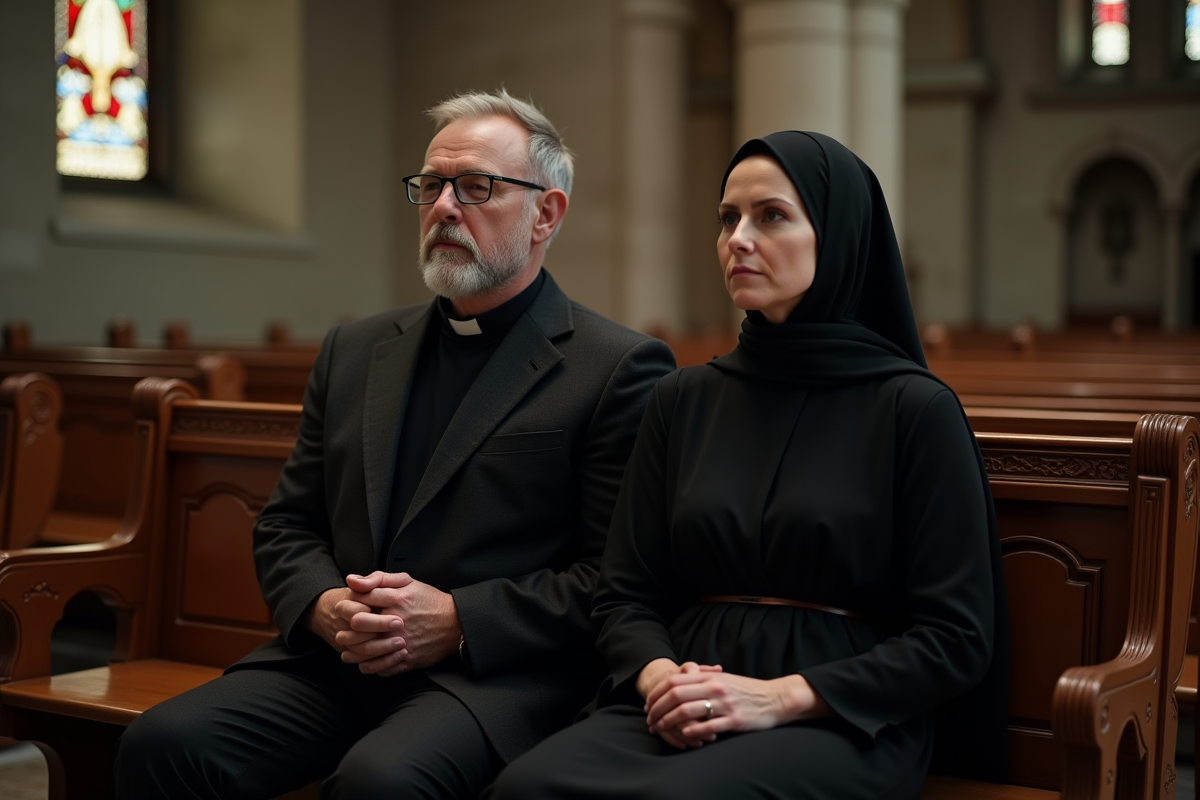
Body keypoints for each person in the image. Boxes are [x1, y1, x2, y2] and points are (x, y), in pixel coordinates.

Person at [114, 90, 676, 800]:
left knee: (381, 783)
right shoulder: (356, 349)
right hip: (334, 664)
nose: (444, 206)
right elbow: (288, 522)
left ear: (546, 214)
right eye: (433, 185)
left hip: (492, 678)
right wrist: (323, 604)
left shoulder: (617, 367)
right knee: (163, 745)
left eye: (477, 187)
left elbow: (615, 580)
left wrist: (456, 621)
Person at [485, 131, 1009, 800]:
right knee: (524, 788)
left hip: (842, 714)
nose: (738, 238)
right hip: (683, 694)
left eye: (771, 216)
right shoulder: (683, 399)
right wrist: (660, 679)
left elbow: (956, 636)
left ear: (837, 233)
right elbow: (625, 592)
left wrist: (777, 698)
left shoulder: (914, 410)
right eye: (728, 218)